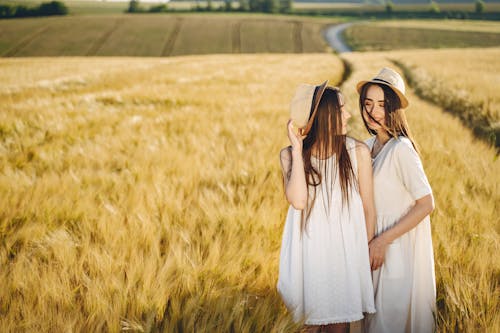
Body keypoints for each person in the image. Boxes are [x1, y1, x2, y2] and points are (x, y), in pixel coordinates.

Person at [277, 81, 376, 333]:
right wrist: (299, 150)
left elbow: (368, 210)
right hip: (308, 258)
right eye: (342, 109)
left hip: (342, 258)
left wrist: (357, 260)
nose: (349, 114)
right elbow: (298, 200)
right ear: (325, 115)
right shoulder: (290, 156)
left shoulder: (357, 152)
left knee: (338, 327)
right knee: (308, 326)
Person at [357, 68, 436, 333]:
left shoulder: (402, 149)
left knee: (388, 324)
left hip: (395, 252)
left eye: (381, 104)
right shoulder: (365, 147)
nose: (373, 112)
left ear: (394, 108)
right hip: (369, 251)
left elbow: (426, 204)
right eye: (368, 104)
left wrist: (383, 241)